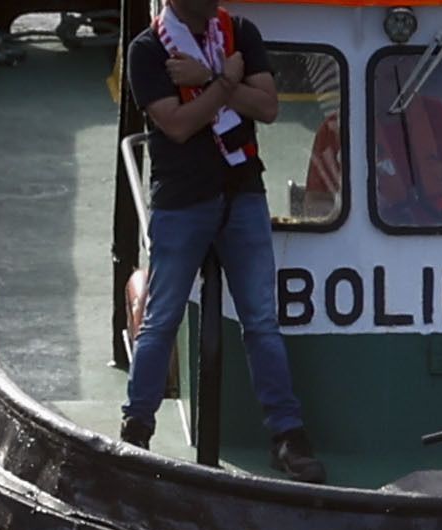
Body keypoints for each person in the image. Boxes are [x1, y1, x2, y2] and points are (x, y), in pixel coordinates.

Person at [110, 2, 331, 481]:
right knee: (161, 317)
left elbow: (268, 107)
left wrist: (207, 76)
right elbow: (178, 124)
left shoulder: (240, 34)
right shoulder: (147, 51)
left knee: (261, 322)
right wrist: (228, 82)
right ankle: (137, 428)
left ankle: (287, 435)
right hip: (181, 203)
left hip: (242, 195)